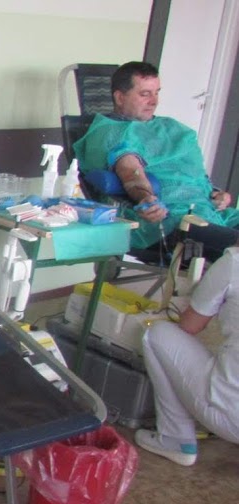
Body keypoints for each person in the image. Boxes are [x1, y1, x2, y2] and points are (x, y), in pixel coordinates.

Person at [73, 61, 238, 260]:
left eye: (156, 93)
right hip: (172, 220)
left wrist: (216, 193)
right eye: (145, 94)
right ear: (120, 97)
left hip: (210, 211)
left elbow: (193, 173)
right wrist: (145, 198)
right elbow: (130, 171)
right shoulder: (112, 131)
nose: (154, 101)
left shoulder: (174, 129)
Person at [137, 246, 239, 466]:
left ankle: (176, 439)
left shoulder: (233, 262)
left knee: (156, 334)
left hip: (232, 418)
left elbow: (190, 325)